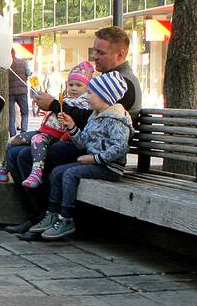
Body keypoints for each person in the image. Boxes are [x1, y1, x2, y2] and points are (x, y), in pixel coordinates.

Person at [9, 26, 142, 230]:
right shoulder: (106, 78)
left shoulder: (124, 83)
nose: (95, 57)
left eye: (101, 52)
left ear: (120, 54)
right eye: (94, 51)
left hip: (97, 150)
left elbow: (91, 117)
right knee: (15, 152)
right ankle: (37, 216)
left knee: (25, 156)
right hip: (85, 140)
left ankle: (45, 217)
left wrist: (55, 105)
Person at [31, 71, 133, 241]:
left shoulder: (116, 120)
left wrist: (94, 159)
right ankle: (52, 213)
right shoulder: (95, 116)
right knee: (57, 172)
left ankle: (66, 218)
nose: (86, 97)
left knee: (70, 174)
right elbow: (84, 143)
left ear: (104, 97)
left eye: (91, 93)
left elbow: (120, 148)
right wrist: (72, 128)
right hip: (96, 164)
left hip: (109, 167)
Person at [0, 61, 93, 187]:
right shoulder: (64, 99)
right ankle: (3, 170)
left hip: (58, 135)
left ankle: (36, 173)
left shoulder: (85, 103)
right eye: (71, 84)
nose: (74, 88)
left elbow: (80, 119)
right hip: (45, 130)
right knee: (14, 140)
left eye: (79, 85)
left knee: (37, 140)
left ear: (87, 87)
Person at [7, 48, 32, 136]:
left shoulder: (6, 64)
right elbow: (29, 73)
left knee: (11, 114)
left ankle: (12, 134)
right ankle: (23, 132)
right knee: (24, 112)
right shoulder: (23, 62)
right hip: (22, 91)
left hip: (10, 92)